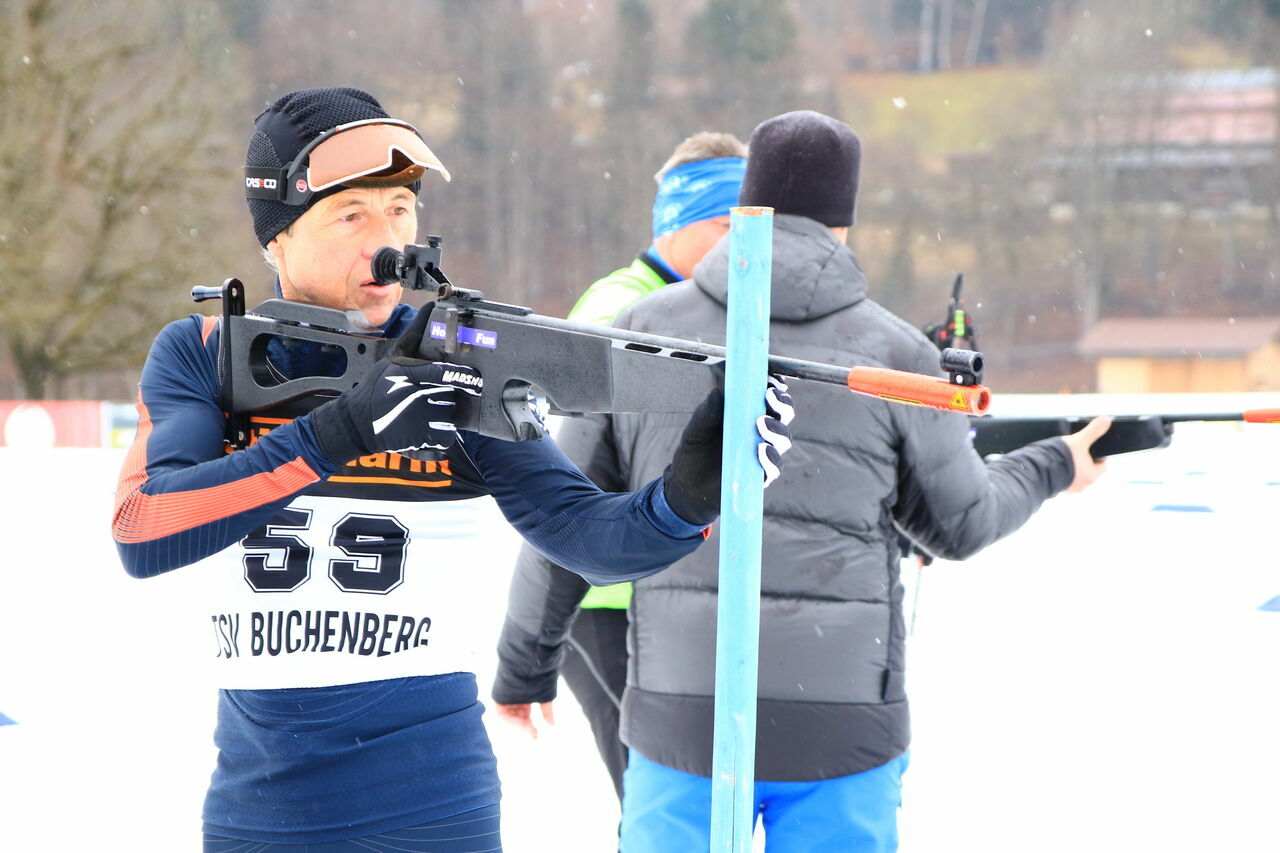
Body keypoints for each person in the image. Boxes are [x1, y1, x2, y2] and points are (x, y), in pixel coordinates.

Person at [110, 87, 792, 852]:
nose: (387, 242)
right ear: (277, 236)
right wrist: (340, 433)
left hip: (431, 810)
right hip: (258, 812)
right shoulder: (205, 354)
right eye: (351, 215)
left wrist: (686, 498)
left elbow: (584, 536)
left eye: (401, 210)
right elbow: (144, 530)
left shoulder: (451, 361)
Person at [490, 110, 1112, 853]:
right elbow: (962, 522)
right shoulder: (897, 356)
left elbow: (564, 518)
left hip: (680, 714)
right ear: (843, 221)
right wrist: (1053, 462)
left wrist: (524, 667)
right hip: (841, 722)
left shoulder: (638, 328)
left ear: (745, 202)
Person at [491, 131, 747, 800]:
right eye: (727, 228)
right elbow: (574, 479)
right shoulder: (622, 306)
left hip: (676, 590)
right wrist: (528, 652)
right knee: (658, 797)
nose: (743, 249)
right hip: (607, 597)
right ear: (682, 221)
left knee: (695, 795)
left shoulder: (720, 308)